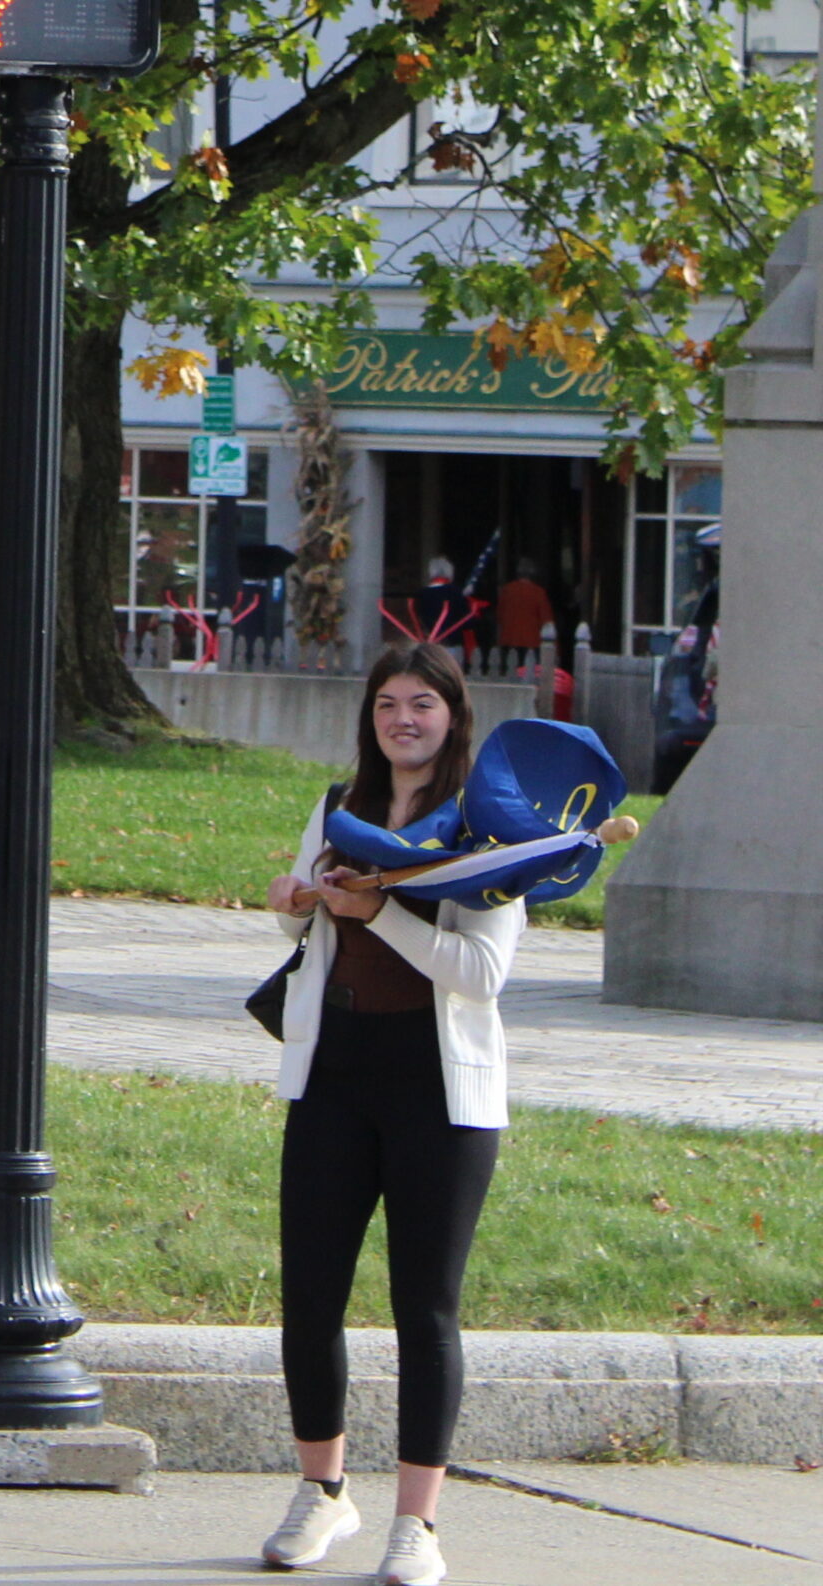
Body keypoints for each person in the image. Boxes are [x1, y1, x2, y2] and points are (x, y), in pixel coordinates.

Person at [258, 641, 523, 1586]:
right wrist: (296, 901)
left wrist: (385, 918)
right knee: (310, 1298)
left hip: (439, 1090)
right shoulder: (339, 807)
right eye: (386, 705)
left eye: (423, 704)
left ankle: (418, 1524)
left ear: (454, 717)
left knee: (426, 1309)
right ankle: (322, 1493)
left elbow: (482, 973)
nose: (402, 720)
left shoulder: (489, 826)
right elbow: (298, 918)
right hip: (334, 1072)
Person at [495, 557, 553, 655]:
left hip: (509, 639)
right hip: (532, 640)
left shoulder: (507, 590)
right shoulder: (539, 592)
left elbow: (499, 616)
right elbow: (546, 621)